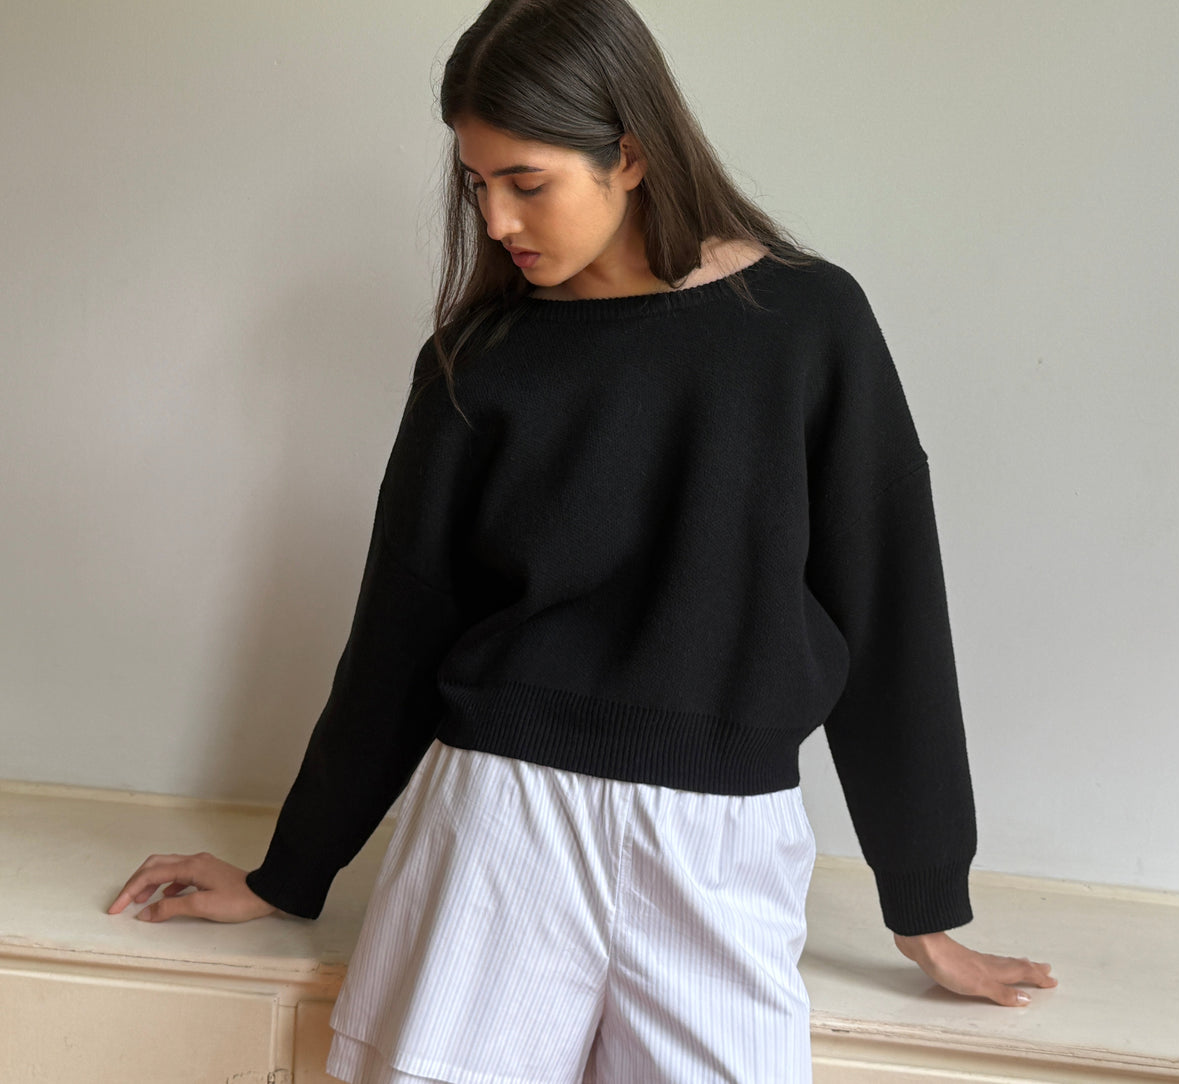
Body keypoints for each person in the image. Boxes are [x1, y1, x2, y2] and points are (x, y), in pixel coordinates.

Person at [106, 0, 1058, 1080]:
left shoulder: (807, 326)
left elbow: (889, 607)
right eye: (476, 183)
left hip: (720, 840)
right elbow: (399, 634)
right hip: (494, 828)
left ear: (631, 156)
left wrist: (924, 901)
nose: (496, 220)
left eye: (526, 182)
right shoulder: (479, 357)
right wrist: (289, 873)